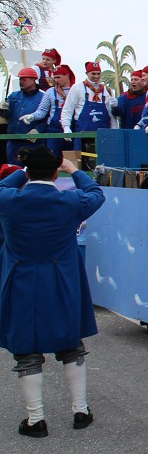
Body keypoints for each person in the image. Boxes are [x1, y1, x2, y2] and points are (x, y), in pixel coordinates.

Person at [0, 146, 105, 437]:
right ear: (55, 171)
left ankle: (36, 420)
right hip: (62, 278)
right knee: (70, 343)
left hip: (21, 278)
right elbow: (97, 193)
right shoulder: (70, 201)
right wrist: (73, 170)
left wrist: (22, 172)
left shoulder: (8, 199)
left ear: (28, 171)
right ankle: (80, 410)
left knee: (26, 349)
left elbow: (4, 183)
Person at [23, 63, 75, 156]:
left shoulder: (75, 90)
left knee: (73, 160)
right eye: (54, 77)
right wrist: (32, 116)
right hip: (54, 131)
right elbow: (42, 111)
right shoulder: (50, 92)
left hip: (72, 130)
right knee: (52, 159)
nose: (56, 80)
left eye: (58, 77)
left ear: (67, 76)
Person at [3, 68, 48, 164]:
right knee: (12, 170)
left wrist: (39, 129)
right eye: (20, 79)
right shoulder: (14, 96)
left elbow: (48, 118)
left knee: (32, 170)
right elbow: (8, 116)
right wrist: (3, 110)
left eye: (24, 79)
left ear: (33, 80)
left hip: (33, 143)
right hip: (13, 141)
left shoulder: (43, 97)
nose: (21, 82)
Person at [60, 61, 116, 137]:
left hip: (103, 135)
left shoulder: (105, 90)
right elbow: (67, 109)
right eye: (93, 73)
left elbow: (110, 114)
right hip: (83, 134)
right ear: (87, 73)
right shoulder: (77, 88)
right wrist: (66, 127)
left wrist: (115, 130)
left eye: (98, 73)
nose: (96, 76)